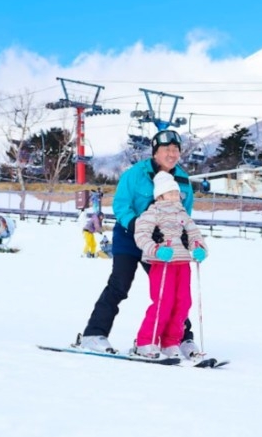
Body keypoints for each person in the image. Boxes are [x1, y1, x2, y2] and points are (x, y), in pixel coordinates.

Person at [76, 129, 201, 359]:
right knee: (119, 284)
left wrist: (183, 236)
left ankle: (181, 338)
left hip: (162, 245)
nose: (172, 154)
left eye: (176, 150)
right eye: (167, 150)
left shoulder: (182, 181)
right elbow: (122, 205)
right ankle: (94, 334)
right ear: (156, 152)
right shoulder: (135, 174)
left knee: (172, 290)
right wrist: (137, 226)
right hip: (130, 237)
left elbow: (186, 213)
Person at [131, 172, 208, 358]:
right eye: (171, 193)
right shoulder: (152, 213)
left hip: (182, 262)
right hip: (163, 262)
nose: (175, 196)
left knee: (183, 302)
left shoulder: (183, 215)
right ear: (160, 195)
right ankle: (146, 341)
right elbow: (141, 235)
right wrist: (155, 249)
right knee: (163, 302)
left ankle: (170, 342)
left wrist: (199, 248)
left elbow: (194, 235)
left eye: (176, 193)